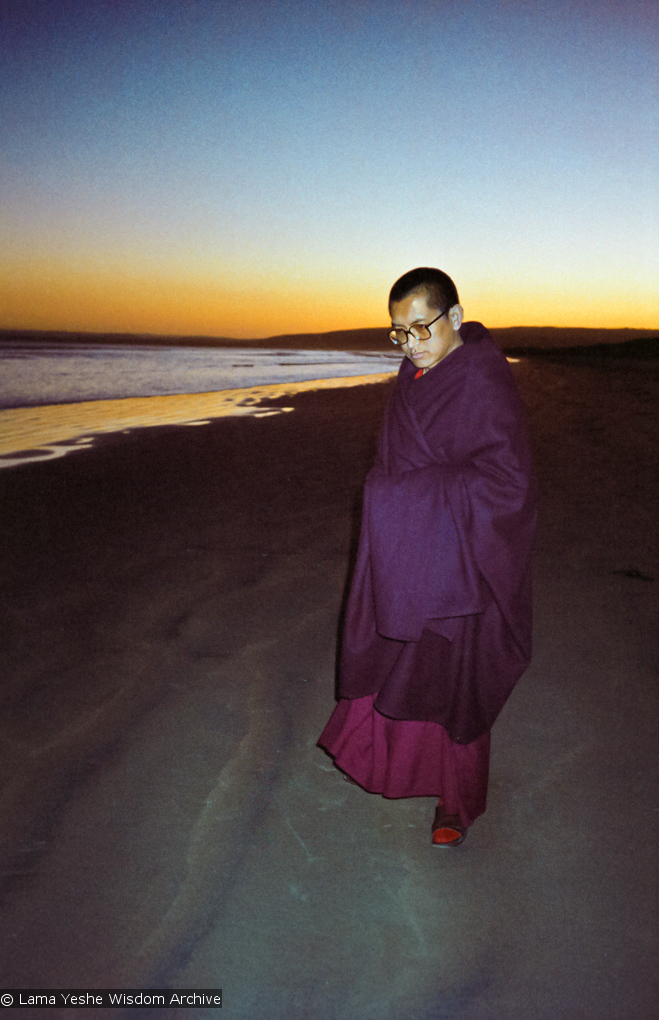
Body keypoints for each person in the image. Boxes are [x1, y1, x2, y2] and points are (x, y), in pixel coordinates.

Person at [318, 267, 536, 847]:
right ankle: (396, 766)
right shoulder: (414, 374)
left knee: (458, 683)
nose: (411, 343)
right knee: (402, 664)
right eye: (398, 333)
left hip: (466, 560)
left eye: (422, 327)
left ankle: (457, 805)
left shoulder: (481, 381)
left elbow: (509, 484)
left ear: (456, 318)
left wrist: (404, 497)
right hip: (413, 552)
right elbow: (397, 454)